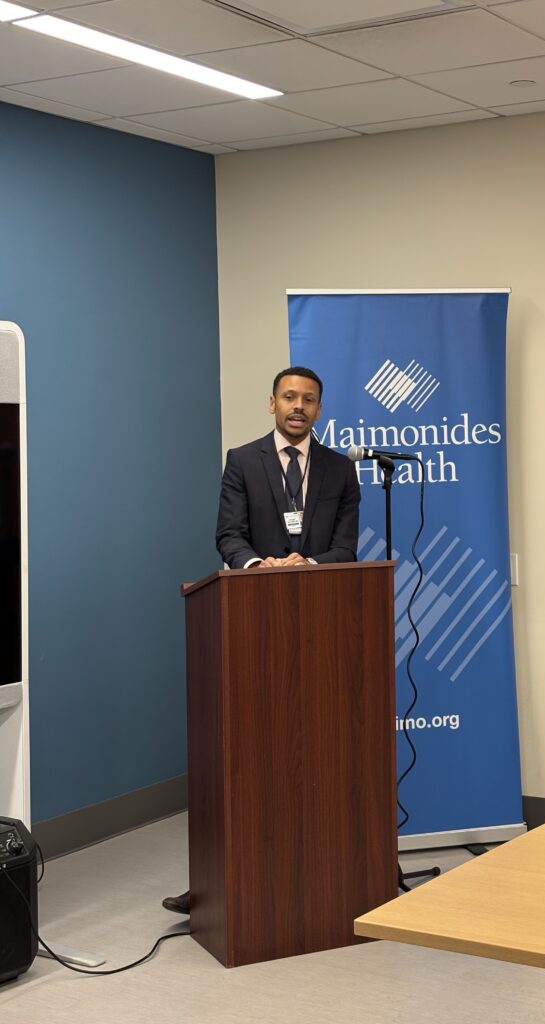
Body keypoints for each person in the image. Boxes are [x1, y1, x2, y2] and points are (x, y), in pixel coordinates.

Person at [163, 366, 360, 915]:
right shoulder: (242, 461)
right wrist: (258, 565)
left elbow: (346, 547)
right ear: (271, 403)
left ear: (319, 409)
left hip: (324, 625)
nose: (298, 406)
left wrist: (307, 564)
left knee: (323, 751)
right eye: (289, 397)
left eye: (309, 400)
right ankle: (228, 882)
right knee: (250, 753)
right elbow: (228, 534)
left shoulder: (340, 469)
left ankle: (326, 874)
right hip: (254, 623)